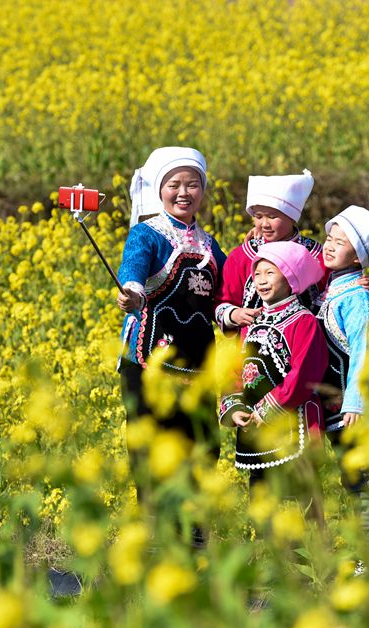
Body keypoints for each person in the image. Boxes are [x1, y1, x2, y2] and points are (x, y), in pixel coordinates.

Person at [116, 146, 228, 511]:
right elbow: (134, 265)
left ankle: (194, 526)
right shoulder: (147, 234)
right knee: (151, 444)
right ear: (159, 190)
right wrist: (132, 291)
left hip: (197, 361)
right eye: (174, 184)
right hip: (149, 357)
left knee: (200, 442)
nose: (183, 193)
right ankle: (154, 530)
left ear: (203, 190)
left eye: (192, 184)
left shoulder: (210, 245)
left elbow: (231, 288)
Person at [218, 241, 328, 522]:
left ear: (290, 277)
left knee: (301, 506)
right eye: (257, 274)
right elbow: (237, 369)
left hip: (293, 428)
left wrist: (267, 409)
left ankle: (317, 565)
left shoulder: (304, 322)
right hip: (257, 430)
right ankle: (272, 562)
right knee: (263, 503)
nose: (262, 280)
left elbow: (305, 374)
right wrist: (233, 405)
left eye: (271, 272)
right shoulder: (252, 322)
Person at [316, 206, 369, 533]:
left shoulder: (359, 297)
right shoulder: (336, 288)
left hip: (359, 406)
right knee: (355, 477)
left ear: (358, 259)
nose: (329, 245)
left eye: (340, 243)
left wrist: (356, 401)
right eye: (329, 238)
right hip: (341, 406)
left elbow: (366, 352)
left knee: (368, 478)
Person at [214, 170, 325, 338]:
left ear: (292, 216)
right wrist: (234, 314)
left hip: (306, 349)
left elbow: (335, 293)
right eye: (258, 216)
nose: (264, 224)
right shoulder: (242, 256)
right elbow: (222, 301)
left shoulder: (316, 255)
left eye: (272, 216)